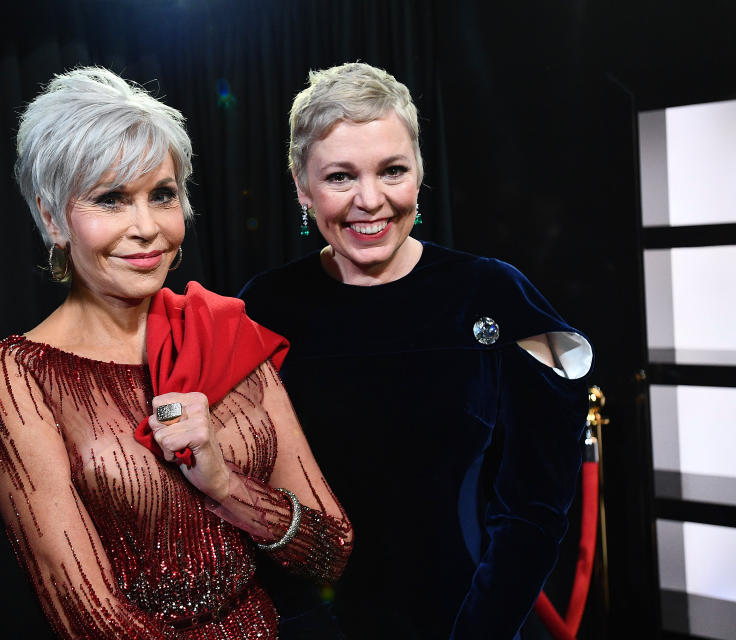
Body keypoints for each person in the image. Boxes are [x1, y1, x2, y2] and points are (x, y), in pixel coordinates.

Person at [0, 66, 352, 640]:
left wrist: (224, 484)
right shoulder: (19, 374)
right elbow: (87, 619)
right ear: (52, 218)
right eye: (111, 199)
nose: (147, 227)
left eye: (162, 195)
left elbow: (331, 552)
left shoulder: (222, 330)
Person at [239, 62, 594, 639]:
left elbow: (533, 508)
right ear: (302, 187)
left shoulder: (492, 293)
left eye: (392, 170)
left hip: (463, 621)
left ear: (419, 171)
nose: (370, 200)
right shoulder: (267, 306)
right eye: (339, 177)